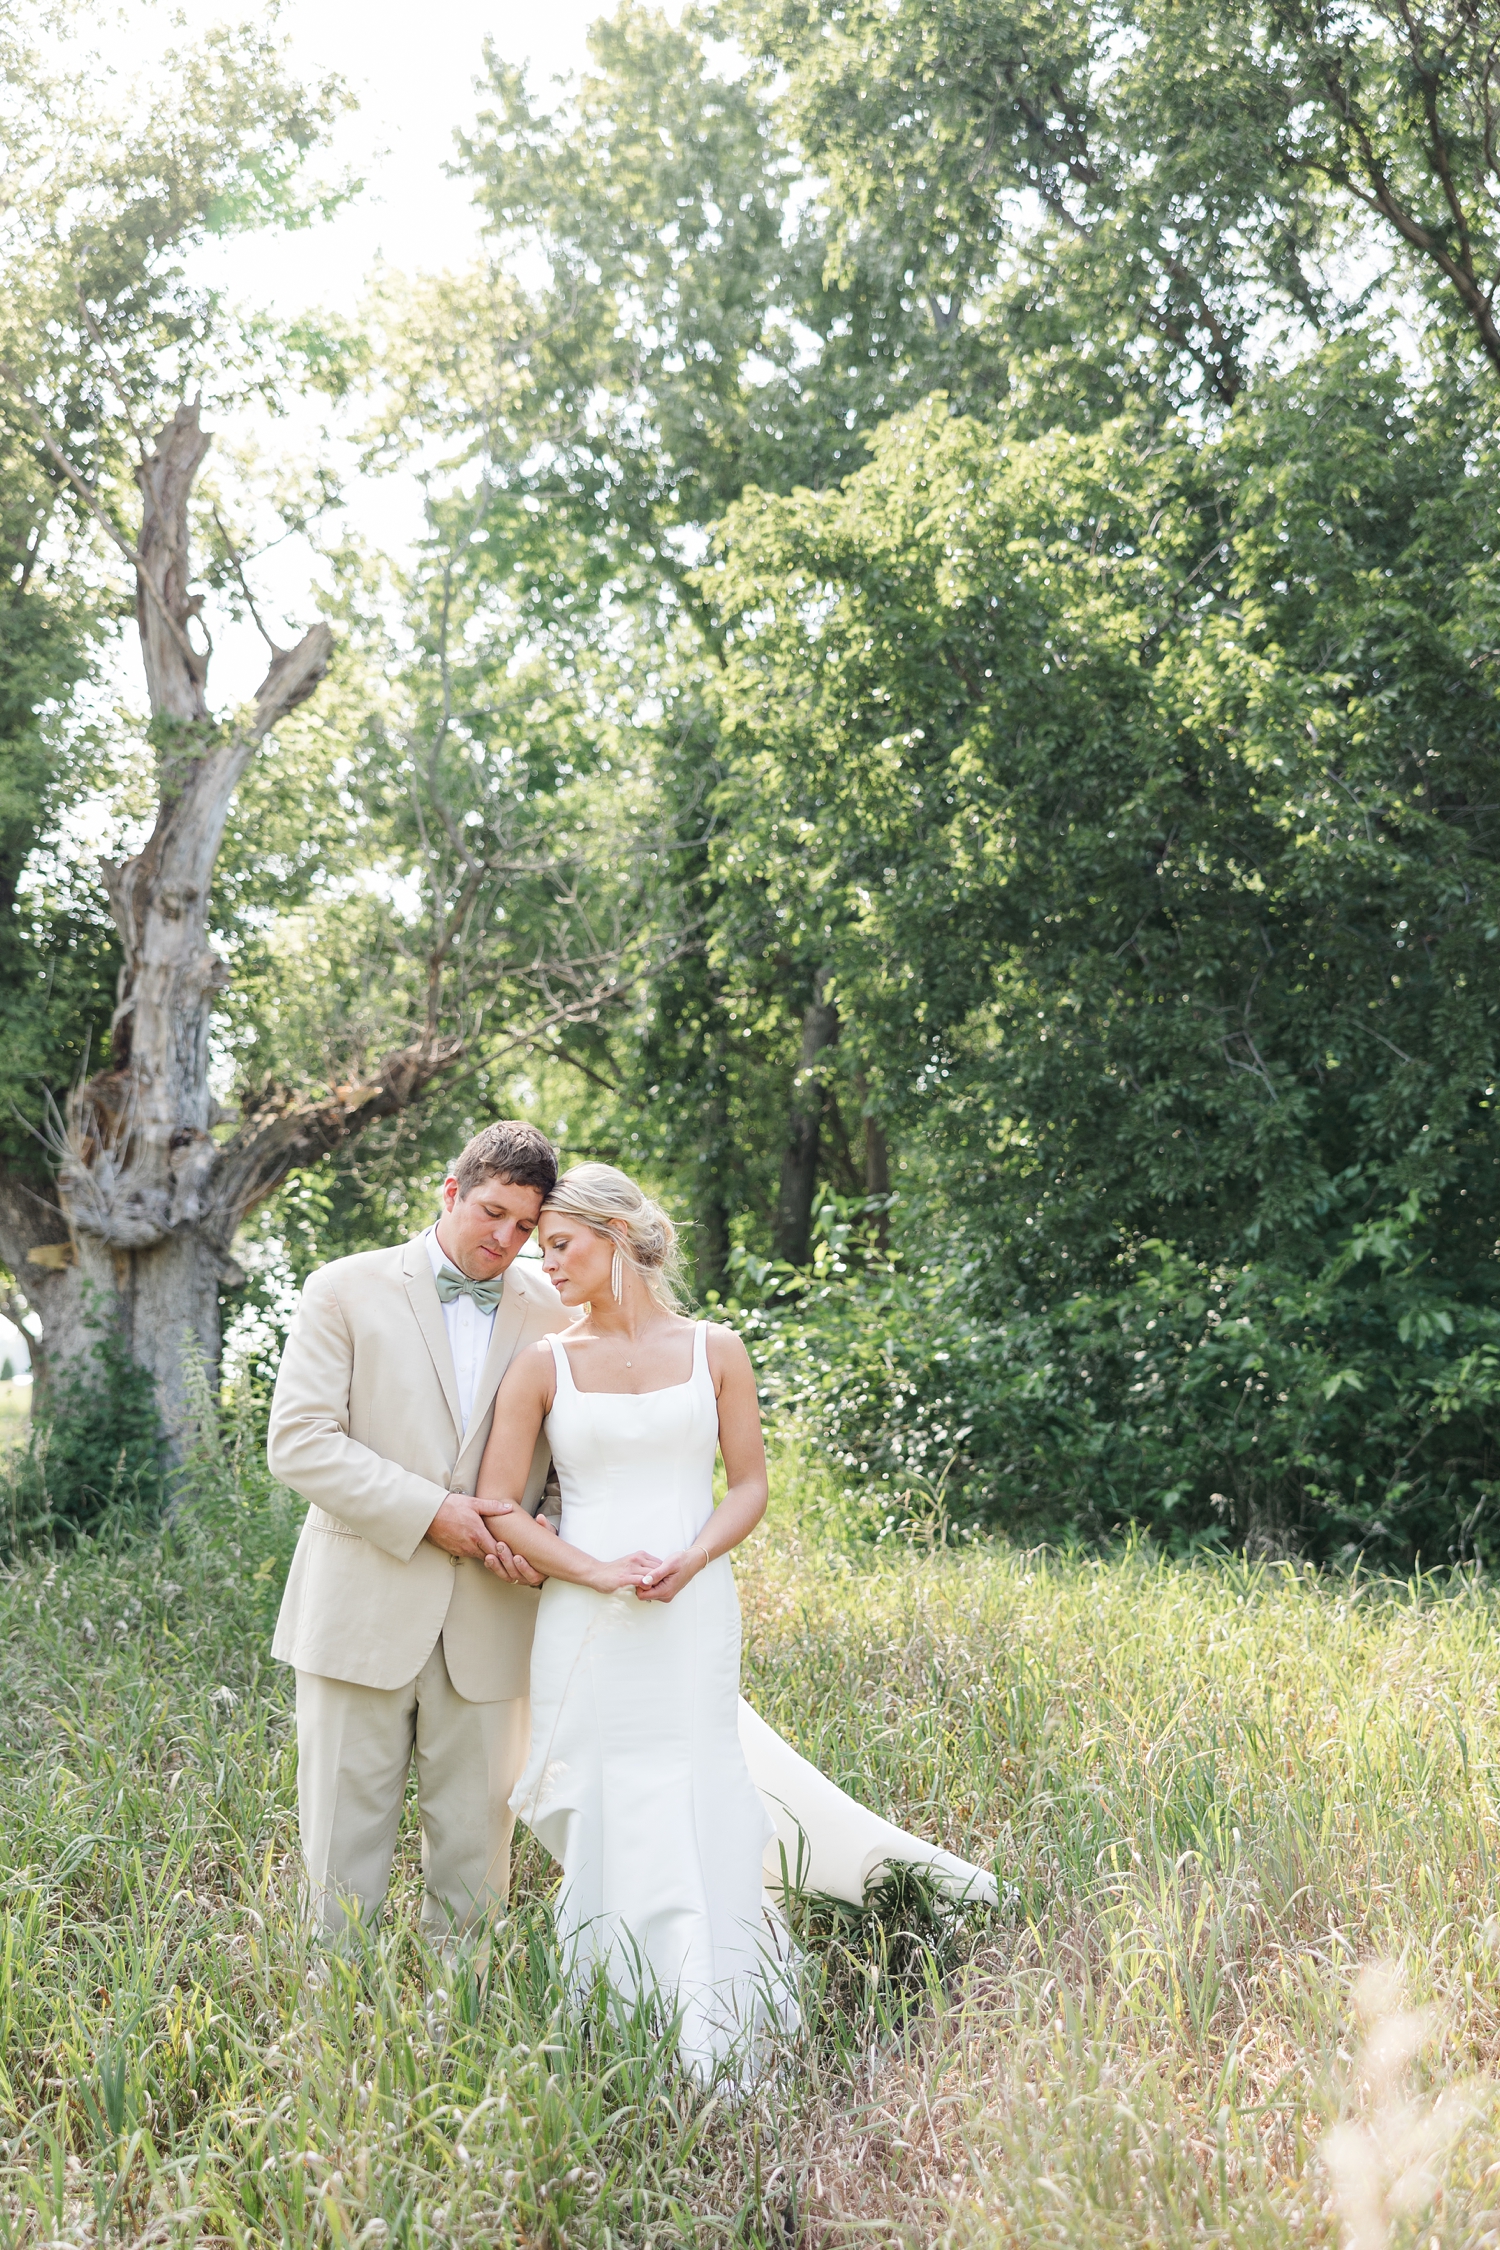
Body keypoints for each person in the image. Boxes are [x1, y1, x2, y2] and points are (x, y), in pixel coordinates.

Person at [473, 1162, 995, 2076]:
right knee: (602, 1793)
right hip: (584, 1620)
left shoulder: (715, 1349)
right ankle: (612, 2008)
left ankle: (719, 2017)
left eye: (561, 1244)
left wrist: (695, 1555)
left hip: (692, 1606)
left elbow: (748, 1486)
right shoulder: (543, 1363)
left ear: (618, 1239)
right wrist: (593, 1568)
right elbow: (497, 1506)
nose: (544, 1262)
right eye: (541, 1245)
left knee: (696, 1786)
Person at [266, 1120, 569, 1941]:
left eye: (525, 1227)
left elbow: (576, 1462)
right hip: (358, 1610)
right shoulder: (344, 1288)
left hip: (495, 1617)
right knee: (339, 1853)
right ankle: (333, 2034)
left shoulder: (558, 1314)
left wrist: (547, 1537)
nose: (505, 1240)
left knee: (476, 1861)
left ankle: (457, 2033)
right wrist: (432, 1514)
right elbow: (299, 1442)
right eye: (492, 1214)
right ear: (451, 1192)